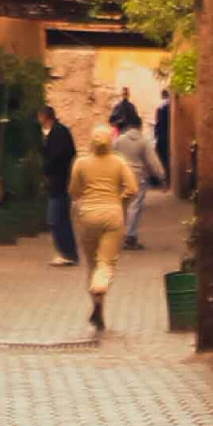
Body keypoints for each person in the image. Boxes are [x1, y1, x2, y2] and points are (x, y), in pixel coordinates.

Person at [69, 123, 138, 330]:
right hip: (112, 215)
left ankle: (97, 305)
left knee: (92, 264)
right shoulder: (118, 162)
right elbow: (132, 188)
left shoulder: (81, 164)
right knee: (105, 262)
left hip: (88, 216)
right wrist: (121, 200)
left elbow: (74, 191)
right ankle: (100, 288)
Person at [112, 117, 166, 249]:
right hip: (138, 177)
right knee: (134, 206)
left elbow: (112, 156)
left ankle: (117, 234)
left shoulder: (119, 140)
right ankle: (130, 236)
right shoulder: (144, 142)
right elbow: (152, 161)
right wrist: (161, 176)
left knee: (122, 205)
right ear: (139, 126)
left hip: (121, 177)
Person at [40, 105, 79, 267]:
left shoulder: (58, 133)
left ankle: (66, 252)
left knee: (56, 218)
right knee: (61, 218)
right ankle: (68, 252)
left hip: (59, 182)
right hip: (61, 181)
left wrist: (46, 169)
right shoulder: (60, 131)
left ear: (44, 116)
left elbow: (58, 155)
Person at [153, 87, 172, 185]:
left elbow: (158, 123)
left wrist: (156, 136)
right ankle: (168, 180)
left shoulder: (161, 106)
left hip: (162, 136)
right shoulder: (170, 105)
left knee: (162, 159)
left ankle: (164, 180)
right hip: (169, 136)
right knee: (168, 159)